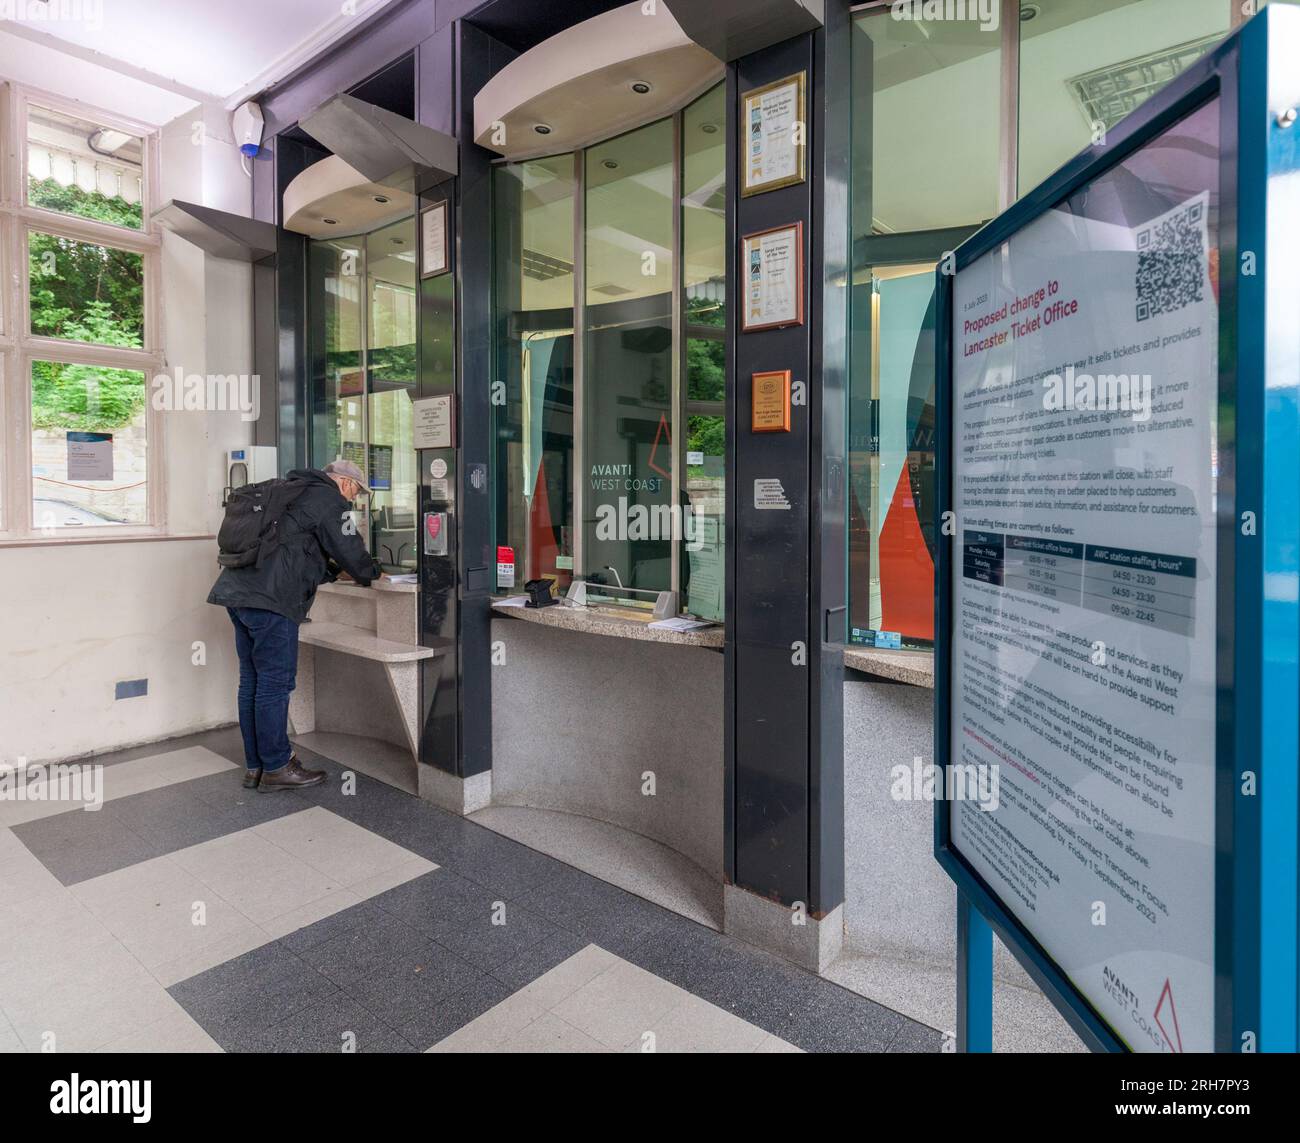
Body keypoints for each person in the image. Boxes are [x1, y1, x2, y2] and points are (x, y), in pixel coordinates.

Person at [208, 459, 383, 790]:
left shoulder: (290, 489)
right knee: (274, 683)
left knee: (253, 681)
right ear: (346, 483)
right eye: (357, 492)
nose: (354, 500)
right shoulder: (329, 499)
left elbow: (295, 550)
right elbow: (349, 547)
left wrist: (331, 571)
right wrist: (371, 573)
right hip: (271, 601)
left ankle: (256, 766)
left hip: (237, 594)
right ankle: (277, 766)